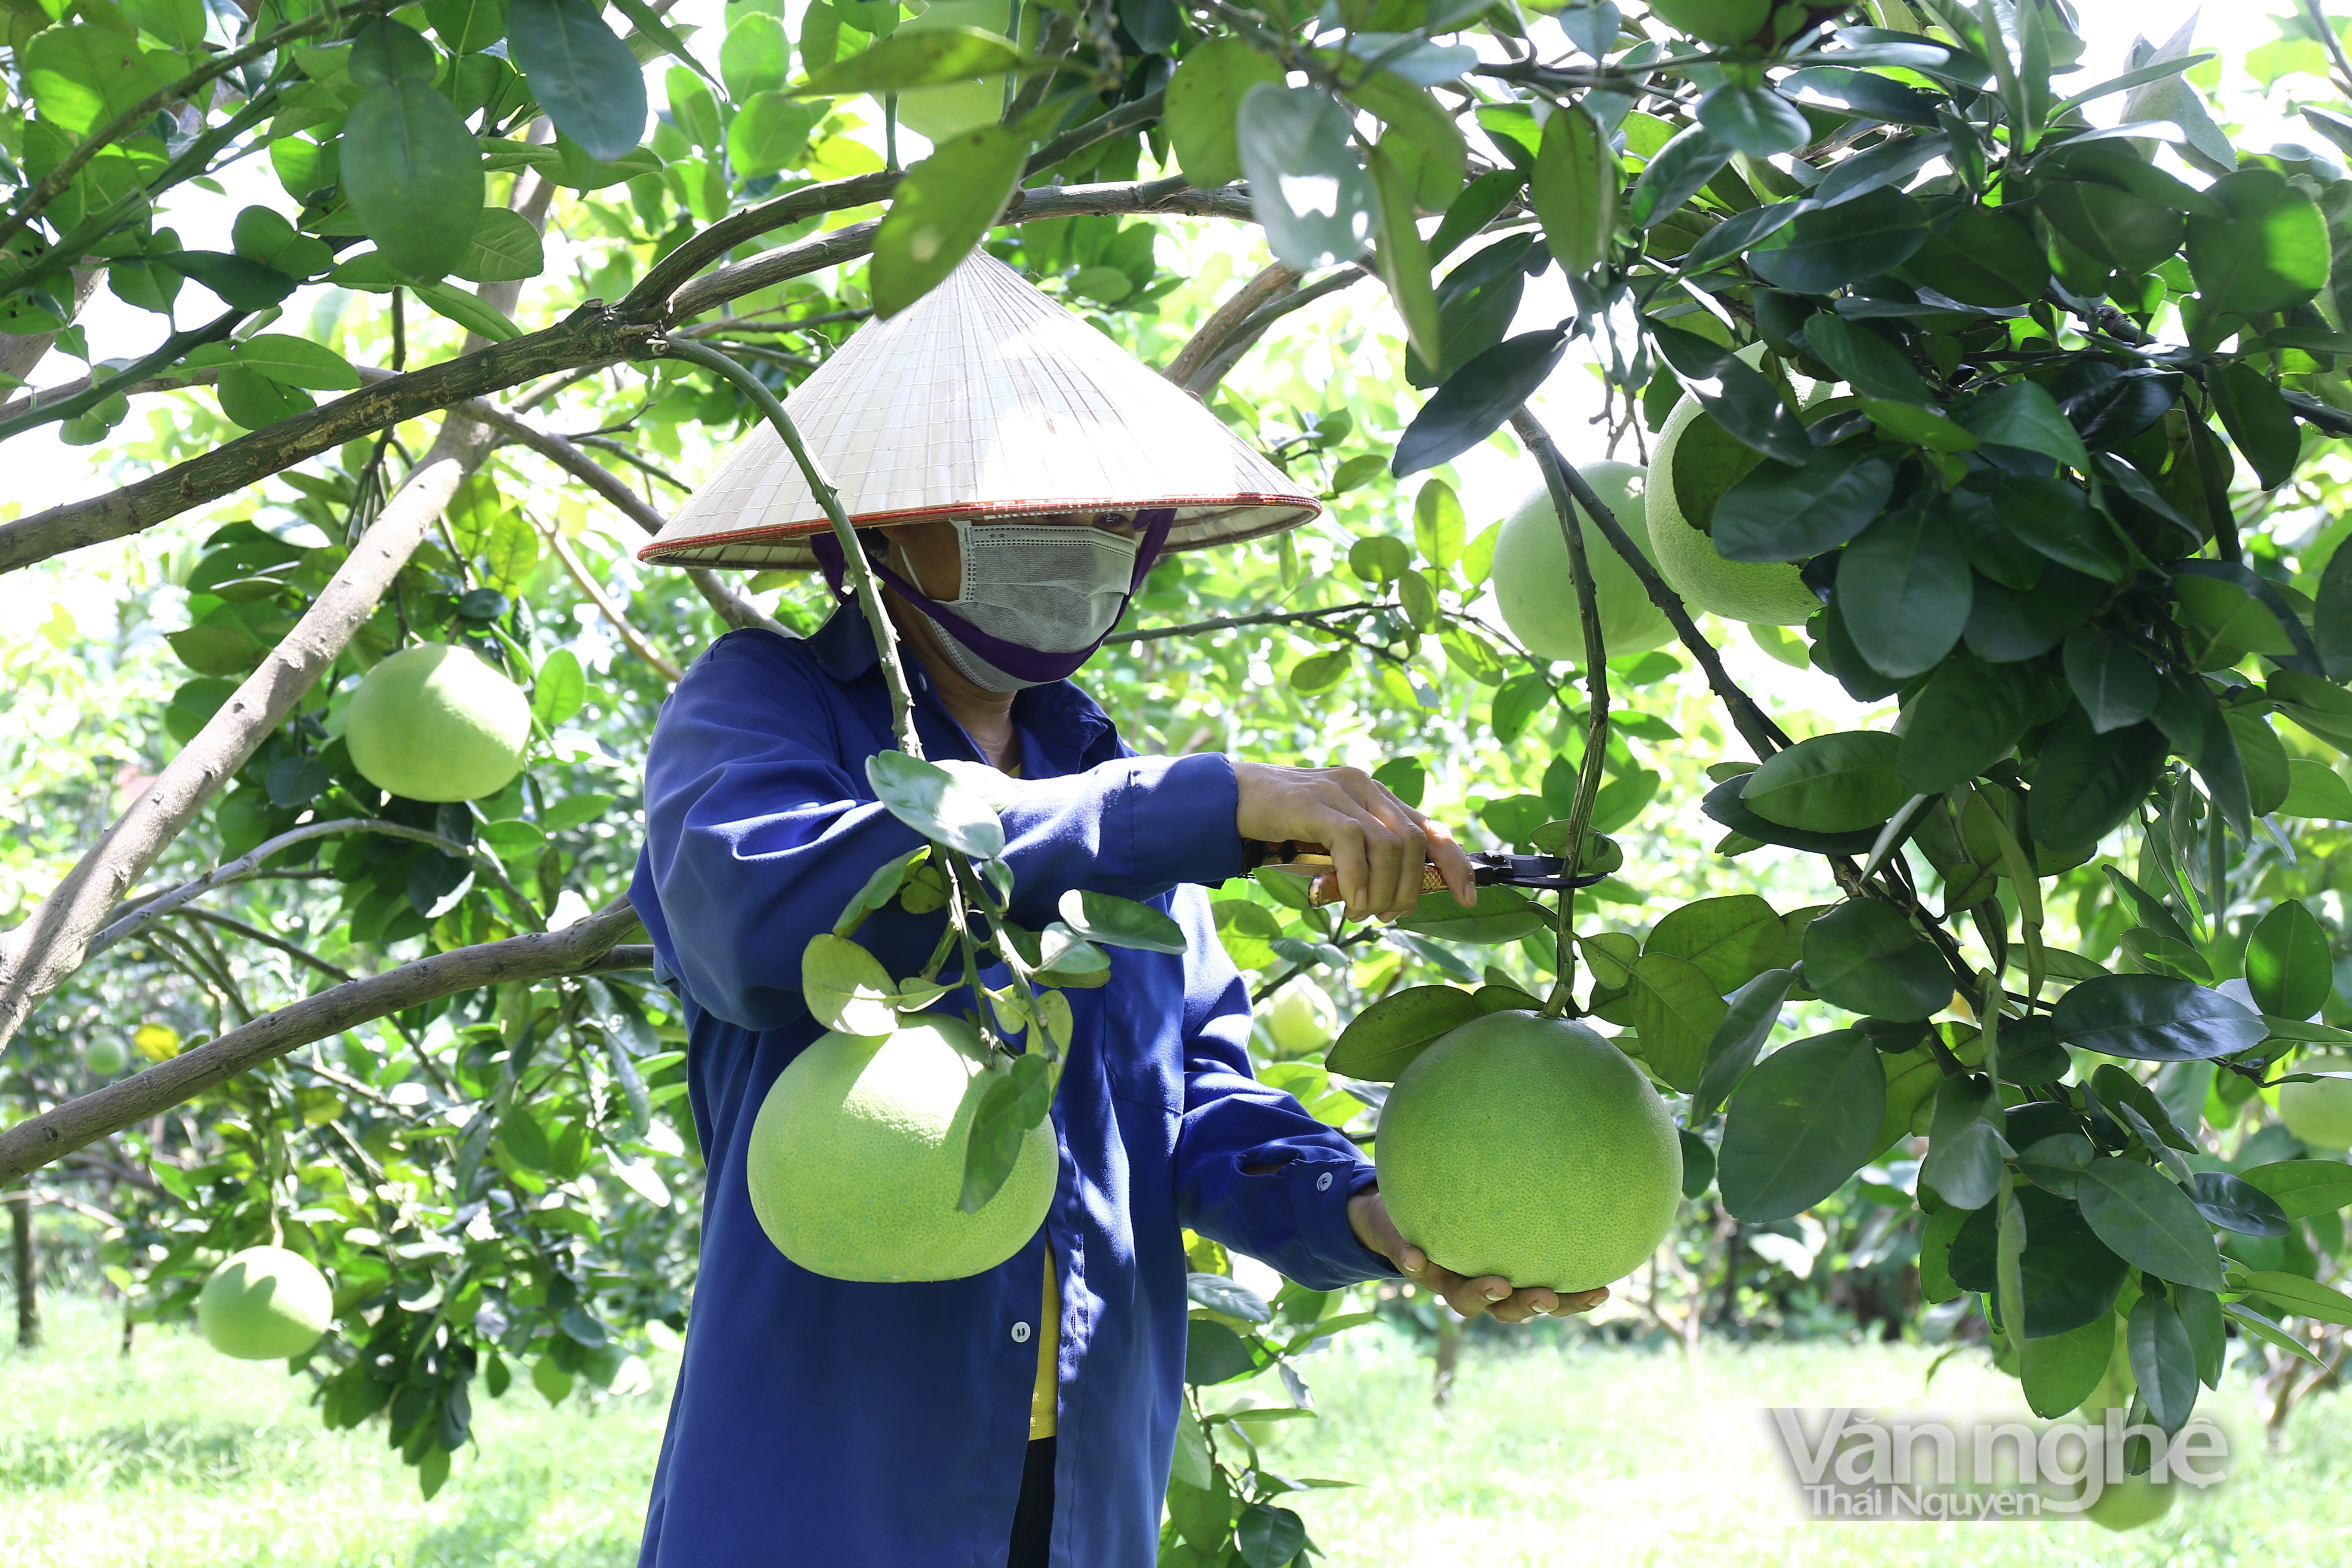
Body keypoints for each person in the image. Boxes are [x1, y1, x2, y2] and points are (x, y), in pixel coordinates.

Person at [626, 253, 1606, 1567]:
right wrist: (1198, 806)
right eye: (1014, 509)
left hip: (1084, 1494)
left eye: (1099, 514)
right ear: (875, 526)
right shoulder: (765, 705)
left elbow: (1189, 1103)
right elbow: (756, 919)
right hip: (825, 1486)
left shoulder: (1105, 773)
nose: (1068, 538)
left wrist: (1367, 1212)